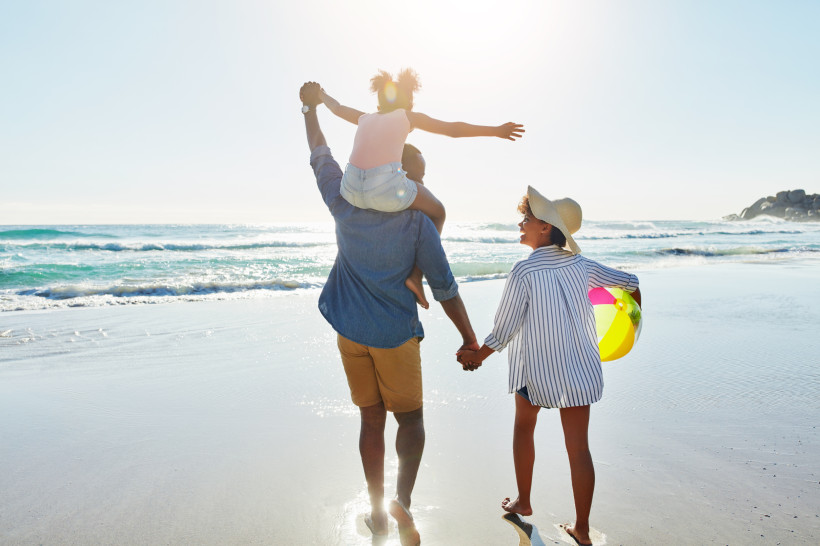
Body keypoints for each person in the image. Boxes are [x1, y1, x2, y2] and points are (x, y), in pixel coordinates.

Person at [299, 81, 481, 546]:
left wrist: (309, 110)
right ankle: (401, 500)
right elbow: (446, 288)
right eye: (417, 175)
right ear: (402, 174)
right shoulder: (417, 220)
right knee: (412, 422)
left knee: (370, 419)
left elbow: (320, 155)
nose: (421, 183)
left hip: (349, 332)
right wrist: (469, 338)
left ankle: (378, 515)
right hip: (394, 337)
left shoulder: (342, 200)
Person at [457, 186, 641, 546]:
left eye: (526, 220)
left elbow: (505, 329)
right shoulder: (583, 265)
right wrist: (625, 329)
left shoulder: (524, 271)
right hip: (580, 370)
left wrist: (477, 356)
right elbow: (631, 283)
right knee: (579, 449)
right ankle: (582, 529)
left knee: (524, 427)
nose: (520, 225)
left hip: (536, 373)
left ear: (545, 228)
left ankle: (524, 502)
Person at [317, 69, 524, 309]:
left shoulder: (364, 118)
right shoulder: (408, 116)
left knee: (394, 190)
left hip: (349, 189)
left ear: (379, 101)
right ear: (409, 102)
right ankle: (416, 276)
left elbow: (337, 108)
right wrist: (496, 131)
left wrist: (320, 94)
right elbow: (453, 130)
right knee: (438, 212)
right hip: (386, 190)